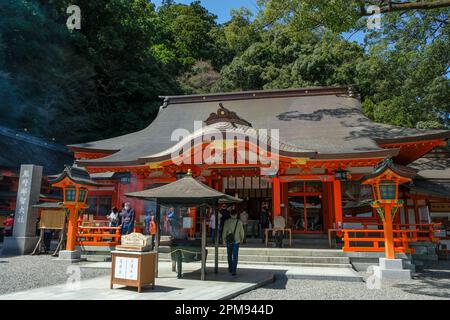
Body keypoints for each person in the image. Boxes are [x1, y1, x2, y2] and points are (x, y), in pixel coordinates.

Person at [222, 210, 245, 276]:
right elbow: (242, 231)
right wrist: (242, 239)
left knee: (229, 255)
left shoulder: (227, 222)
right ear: (236, 215)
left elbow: (224, 231)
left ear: (230, 215)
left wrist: (223, 240)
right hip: (236, 241)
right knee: (235, 256)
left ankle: (230, 268)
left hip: (229, 240)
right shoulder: (239, 222)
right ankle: (234, 270)